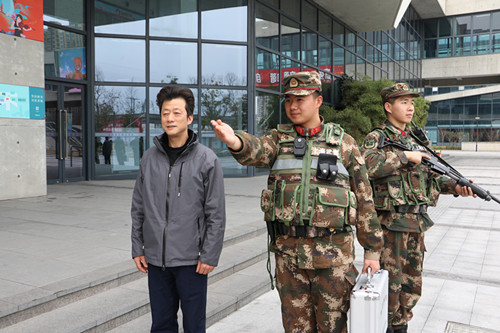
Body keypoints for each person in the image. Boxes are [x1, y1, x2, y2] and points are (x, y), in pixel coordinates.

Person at [211, 71, 383, 333]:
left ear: (318, 100)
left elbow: (364, 198)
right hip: (289, 259)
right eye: (289, 99)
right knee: (295, 329)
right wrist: (234, 140)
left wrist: (372, 251)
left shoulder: (344, 145)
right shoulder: (279, 141)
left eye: (300, 99)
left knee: (334, 328)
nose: (293, 105)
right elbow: (255, 150)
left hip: (333, 259)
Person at [361, 83, 476, 333]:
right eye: (403, 102)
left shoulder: (416, 140)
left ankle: (401, 326)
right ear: (388, 107)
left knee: (411, 287)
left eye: (411, 102)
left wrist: (456, 187)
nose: (410, 107)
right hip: (391, 227)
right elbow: (366, 168)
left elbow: (432, 176)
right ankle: (387, 326)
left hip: (417, 225)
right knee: (389, 286)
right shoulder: (378, 138)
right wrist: (404, 158)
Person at [131, 85, 226, 333]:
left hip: (192, 260)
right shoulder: (149, 158)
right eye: (165, 113)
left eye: (176, 112)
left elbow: (215, 213)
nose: (170, 118)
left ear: (189, 117)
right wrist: (137, 247)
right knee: (161, 324)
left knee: (194, 325)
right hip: (156, 260)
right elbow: (138, 206)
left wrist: (210, 254)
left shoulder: (207, 159)